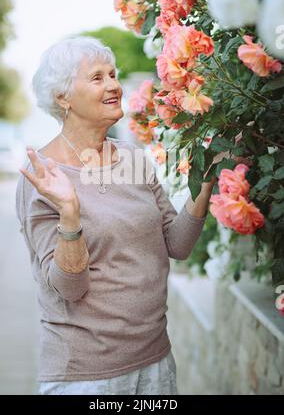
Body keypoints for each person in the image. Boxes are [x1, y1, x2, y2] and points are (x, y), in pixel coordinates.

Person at [15, 36, 216, 395]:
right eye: (97, 78)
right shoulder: (42, 178)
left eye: (112, 75)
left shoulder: (134, 160)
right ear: (63, 98)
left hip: (156, 362)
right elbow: (69, 288)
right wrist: (70, 215)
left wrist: (204, 186)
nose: (113, 85)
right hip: (86, 375)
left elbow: (177, 243)